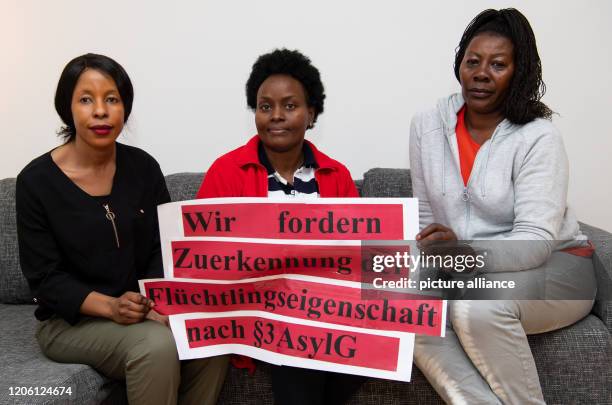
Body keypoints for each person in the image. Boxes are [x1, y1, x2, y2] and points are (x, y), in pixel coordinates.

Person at [16, 53, 228, 405]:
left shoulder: (143, 168)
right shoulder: (36, 182)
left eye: (111, 99)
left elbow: (165, 246)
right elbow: (46, 280)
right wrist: (112, 307)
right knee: (156, 346)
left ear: (124, 108)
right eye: (86, 99)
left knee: (208, 337)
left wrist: (156, 303)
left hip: (142, 310)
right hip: (72, 322)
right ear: (67, 108)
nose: (100, 111)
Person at [409, 9, 597, 405]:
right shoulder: (426, 125)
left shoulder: (538, 137)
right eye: (472, 61)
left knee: (477, 309)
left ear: (519, 71)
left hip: (557, 265)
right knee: (402, 303)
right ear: (459, 63)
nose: (481, 73)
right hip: (468, 268)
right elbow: (427, 220)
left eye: (498, 64)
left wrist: (465, 256)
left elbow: (535, 242)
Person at [197, 49, 364, 405]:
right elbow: (199, 260)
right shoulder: (225, 173)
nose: (276, 116)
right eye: (265, 106)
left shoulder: (336, 176)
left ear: (311, 113)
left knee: (362, 350)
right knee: (299, 352)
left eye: (290, 106)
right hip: (257, 318)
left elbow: (358, 256)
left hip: (326, 314)